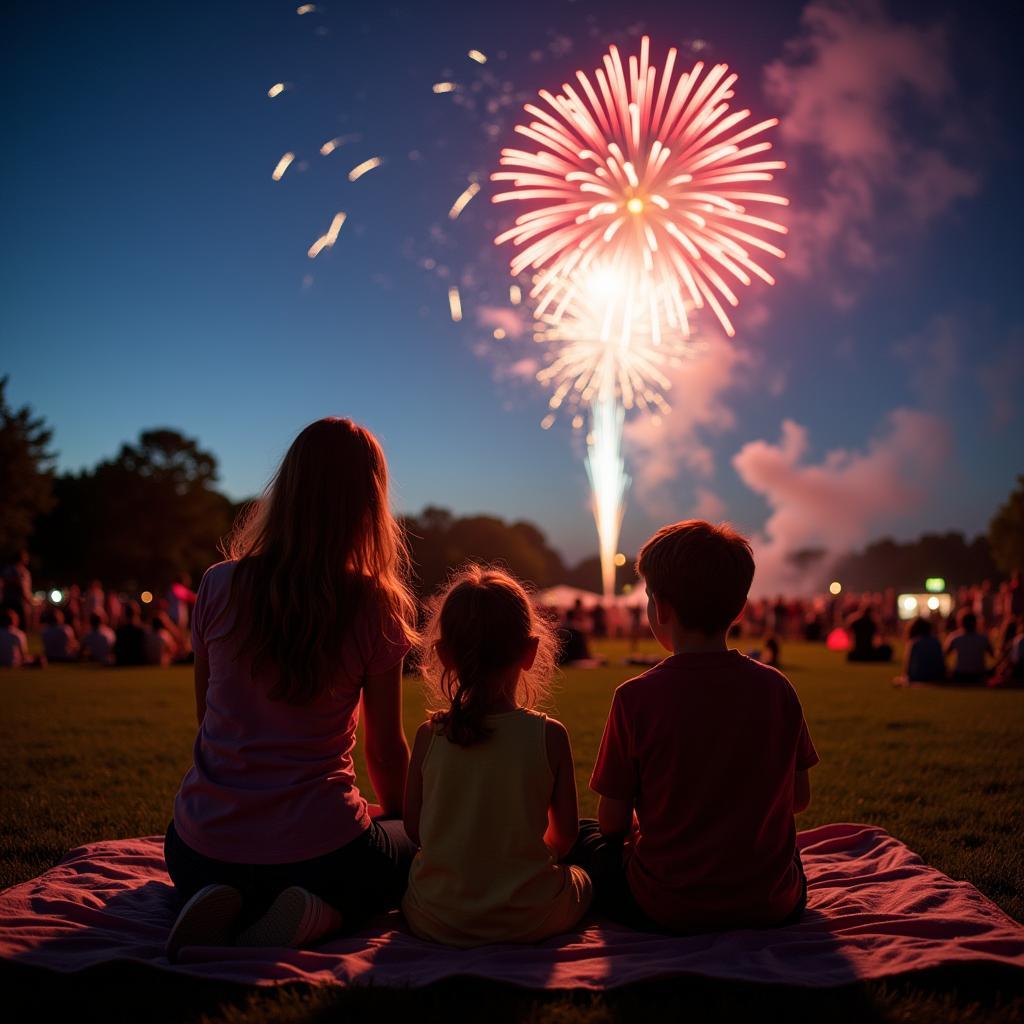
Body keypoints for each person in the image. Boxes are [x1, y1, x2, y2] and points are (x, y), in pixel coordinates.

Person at [164, 418, 418, 962]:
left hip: (199, 847)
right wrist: (397, 818)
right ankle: (318, 910)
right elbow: (384, 749)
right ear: (369, 501)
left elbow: (207, 718)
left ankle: (223, 898)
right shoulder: (377, 604)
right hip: (323, 852)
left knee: (220, 866)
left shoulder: (218, 583)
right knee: (405, 847)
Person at [569, 520, 818, 933]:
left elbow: (613, 822)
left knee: (584, 837)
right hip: (773, 903)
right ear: (739, 609)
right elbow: (798, 799)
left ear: (660, 608)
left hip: (664, 905)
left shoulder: (635, 697)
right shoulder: (777, 688)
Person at [402, 565, 592, 947]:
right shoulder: (549, 735)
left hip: (438, 918)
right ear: (530, 650)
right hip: (530, 917)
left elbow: (414, 829)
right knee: (585, 875)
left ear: (444, 654)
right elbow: (566, 836)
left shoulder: (430, 735)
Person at [944, 610, 993, 685]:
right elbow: (993, 656)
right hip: (979, 674)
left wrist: (948, 670)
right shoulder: (983, 639)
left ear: (960, 622)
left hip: (960, 675)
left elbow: (944, 656)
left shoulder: (955, 637)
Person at [902, 618, 945, 683]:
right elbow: (941, 662)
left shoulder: (914, 643)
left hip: (918, 677)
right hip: (936, 676)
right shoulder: (936, 642)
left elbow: (908, 668)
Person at [114, 602, 148, 666]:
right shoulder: (142, 630)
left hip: (123, 662)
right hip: (138, 661)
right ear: (138, 613)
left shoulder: (120, 630)